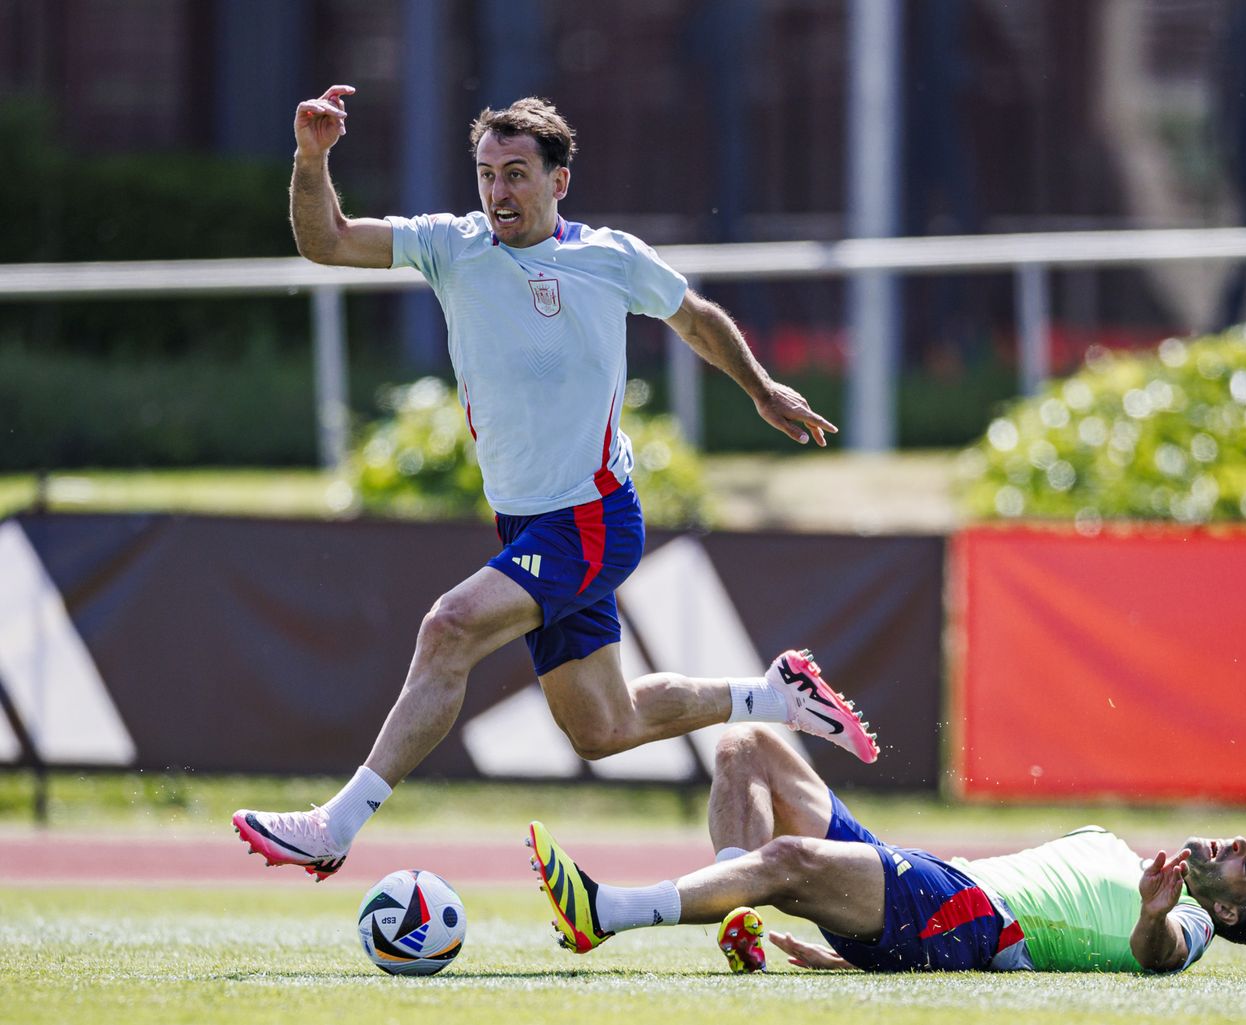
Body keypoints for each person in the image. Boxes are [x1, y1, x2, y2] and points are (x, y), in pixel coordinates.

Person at [233, 86, 879, 880]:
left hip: (594, 518)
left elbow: (698, 319)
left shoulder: (609, 258)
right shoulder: (451, 246)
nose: (498, 192)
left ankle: (336, 823)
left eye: (515, 173)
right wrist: (311, 157)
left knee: (449, 627)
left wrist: (760, 388)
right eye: (486, 174)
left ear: (558, 181)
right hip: (525, 525)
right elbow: (325, 242)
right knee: (604, 727)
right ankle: (775, 697)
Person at [527, 724, 1246, 974]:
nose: (1241, 846)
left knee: (787, 861)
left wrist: (1153, 915)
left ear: (1232, 910)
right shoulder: (1115, 843)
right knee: (746, 745)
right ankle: (741, 921)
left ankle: (608, 911)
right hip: (933, 885)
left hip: (969, 920)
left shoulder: (1193, 926)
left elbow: (1158, 952)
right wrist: (852, 955)